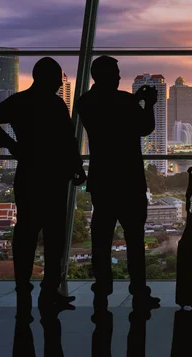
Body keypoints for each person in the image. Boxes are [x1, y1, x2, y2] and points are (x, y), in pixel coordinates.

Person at [0, 57, 86, 323]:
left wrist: (12, 145)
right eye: (58, 78)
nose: (59, 83)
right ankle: (49, 290)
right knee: (53, 236)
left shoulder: (20, 101)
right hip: (54, 177)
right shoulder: (54, 103)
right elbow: (67, 139)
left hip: (29, 174)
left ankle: (23, 285)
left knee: (27, 231)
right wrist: (76, 166)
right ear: (48, 78)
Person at [77, 55, 161, 317]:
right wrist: (148, 104)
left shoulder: (85, 103)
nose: (119, 76)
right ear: (105, 75)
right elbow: (146, 127)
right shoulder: (124, 101)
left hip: (103, 181)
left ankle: (102, 289)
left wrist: (134, 100)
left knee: (101, 239)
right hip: (129, 180)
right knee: (135, 240)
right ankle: (138, 291)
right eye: (115, 72)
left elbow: (108, 108)